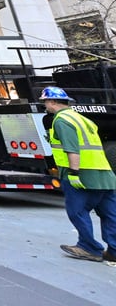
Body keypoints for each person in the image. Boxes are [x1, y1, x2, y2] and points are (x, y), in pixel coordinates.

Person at [40, 86, 116, 262]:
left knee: (77, 211)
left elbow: (72, 149)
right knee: (110, 213)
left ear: (52, 102)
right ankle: (113, 250)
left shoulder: (61, 120)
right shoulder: (83, 119)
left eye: (45, 101)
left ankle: (89, 247)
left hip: (82, 174)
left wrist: (74, 173)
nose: (45, 105)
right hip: (104, 173)